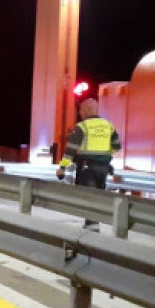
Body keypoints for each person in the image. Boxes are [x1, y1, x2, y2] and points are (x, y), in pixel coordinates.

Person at [56, 98, 121, 231]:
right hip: (103, 168)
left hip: (87, 167)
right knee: (98, 194)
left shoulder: (82, 126)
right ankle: (92, 223)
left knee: (87, 195)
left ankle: (92, 226)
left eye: (80, 110)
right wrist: (104, 155)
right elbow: (117, 146)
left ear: (85, 111)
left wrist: (62, 168)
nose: (80, 113)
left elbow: (70, 149)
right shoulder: (108, 125)